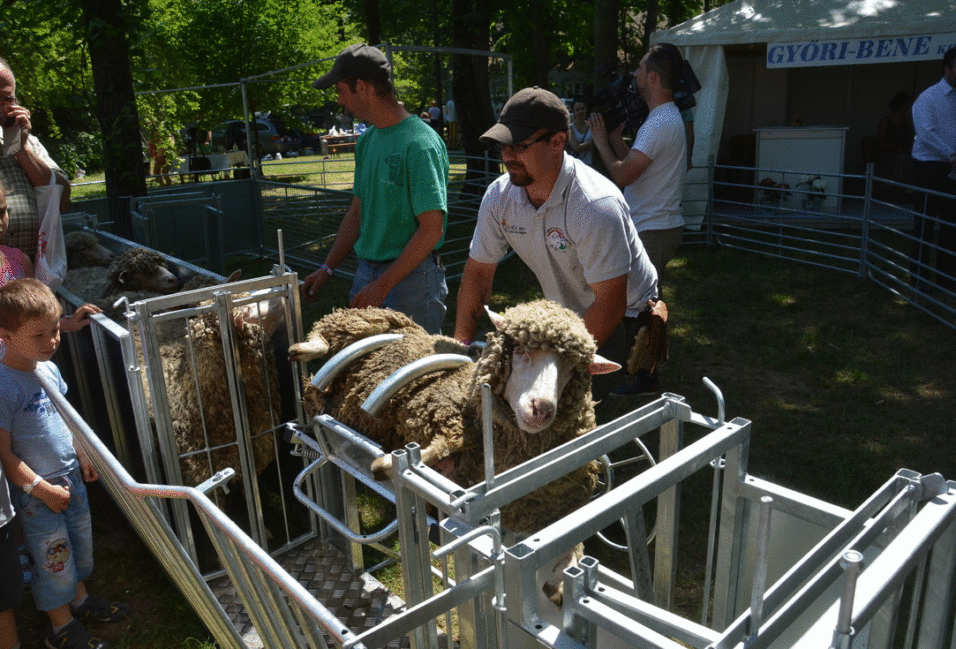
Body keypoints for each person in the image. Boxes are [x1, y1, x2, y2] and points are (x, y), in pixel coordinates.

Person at [453, 87, 663, 399]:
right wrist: (461, 350)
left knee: (591, 413)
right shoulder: (500, 197)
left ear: (557, 142)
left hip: (625, 316)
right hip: (569, 310)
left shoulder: (594, 205)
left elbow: (610, 302)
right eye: (502, 146)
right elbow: (479, 273)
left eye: (520, 146)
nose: (508, 156)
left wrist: (551, 365)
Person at [0, 279, 129, 649]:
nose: (52, 341)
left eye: (55, 330)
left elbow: (66, 419)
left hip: (69, 476)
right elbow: (6, 456)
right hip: (37, 490)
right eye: (39, 335)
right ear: (5, 336)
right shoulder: (4, 384)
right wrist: (40, 489)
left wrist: (83, 454)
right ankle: (60, 628)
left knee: (78, 542)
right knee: (52, 555)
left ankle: (80, 600)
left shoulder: (49, 369)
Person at [301, 44, 450, 334]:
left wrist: (383, 285)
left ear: (362, 87)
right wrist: (327, 268)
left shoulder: (420, 143)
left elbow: (432, 229)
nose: (340, 101)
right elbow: (357, 213)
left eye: (342, 91)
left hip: (412, 280)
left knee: (415, 374)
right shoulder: (368, 141)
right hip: (368, 272)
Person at [590, 44, 688, 298]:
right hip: (658, 227)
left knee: (637, 303)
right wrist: (615, 141)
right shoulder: (666, 117)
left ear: (653, 78)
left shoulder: (657, 123)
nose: (635, 74)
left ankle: (647, 338)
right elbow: (640, 166)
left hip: (653, 230)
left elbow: (624, 175)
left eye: (641, 69)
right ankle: (654, 336)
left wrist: (600, 142)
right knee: (649, 300)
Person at [0, 58, 72, 259]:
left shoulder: (26, 143)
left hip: (30, 276)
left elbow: (63, 200)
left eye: (7, 99)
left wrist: (20, 150)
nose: (0, 107)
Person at [910, 48, 956, 292]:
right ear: (947, 68)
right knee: (925, 223)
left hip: (953, 168)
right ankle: (919, 279)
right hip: (929, 167)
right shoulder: (928, 97)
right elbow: (925, 132)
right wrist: (951, 155)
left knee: (951, 225)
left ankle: (947, 279)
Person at [566, 99, 594, 166]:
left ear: (586, 110)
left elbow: (597, 144)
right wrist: (590, 144)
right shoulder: (570, 128)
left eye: (583, 109)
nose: (581, 112)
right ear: (574, 112)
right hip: (575, 166)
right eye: (577, 110)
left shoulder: (592, 126)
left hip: (590, 165)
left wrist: (580, 145)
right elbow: (576, 148)